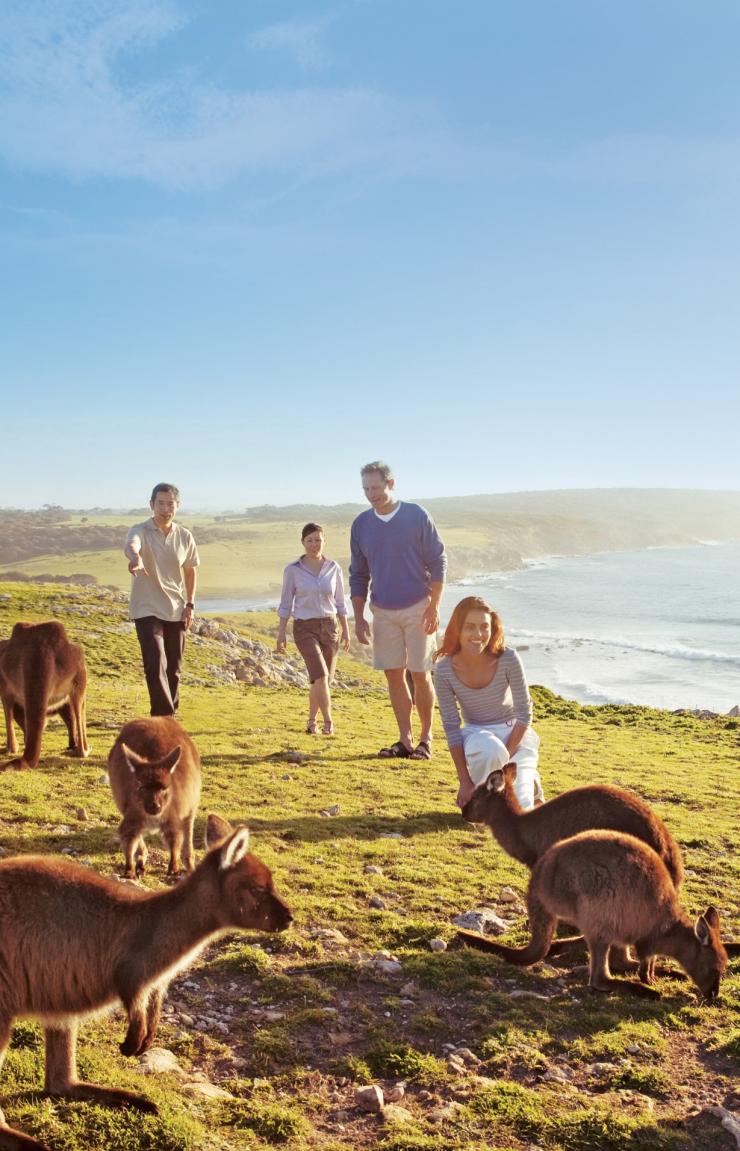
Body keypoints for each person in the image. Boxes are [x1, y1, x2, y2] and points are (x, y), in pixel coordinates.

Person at [349, 460, 447, 760]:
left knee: (420, 674)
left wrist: (434, 606)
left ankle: (426, 739)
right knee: (393, 676)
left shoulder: (416, 515)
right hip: (383, 611)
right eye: (366, 488)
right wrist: (359, 616)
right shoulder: (361, 524)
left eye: (376, 487)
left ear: (391, 484)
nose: (371, 494)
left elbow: (438, 560)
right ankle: (404, 740)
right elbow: (358, 573)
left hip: (419, 607)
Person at [433, 595, 545, 810]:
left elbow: (524, 714)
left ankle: (528, 782)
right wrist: (465, 782)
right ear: (458, 630)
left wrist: (507, 758)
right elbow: (451, 727)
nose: (478, 635)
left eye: (484, 627)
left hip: (516, 736)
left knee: (520, 811)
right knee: (490, 751)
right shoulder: (444, 669)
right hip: (477, 736)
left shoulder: (508, 658)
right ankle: (503, 786)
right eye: (470, 627)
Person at [124, 483, 199, 717]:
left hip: (176, 609)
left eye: (170, 504)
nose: (165, 509)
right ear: (151, 505)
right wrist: (135, 557)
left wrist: (190, 605)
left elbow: (190, 571)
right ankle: (163, 717)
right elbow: (131, 544)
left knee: (173, 669)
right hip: (146, 608)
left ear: (177, 506)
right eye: (160, 503)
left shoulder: (184, 536)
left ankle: (170, 714)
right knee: (155, 662)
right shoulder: (140, 530)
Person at [276, 522, 350, 735]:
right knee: (321, 676)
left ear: (324, 541)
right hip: (304, 628)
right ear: (302, 542)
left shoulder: (333, 568)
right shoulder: (292, 570)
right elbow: (285, 603)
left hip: (329, 627)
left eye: (318, 540)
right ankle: (328, 723)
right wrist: (281, 633)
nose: (314, 544)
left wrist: (345, 629)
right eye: (309, 540)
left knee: (322, 680)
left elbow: (340, 603)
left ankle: (311, 721)